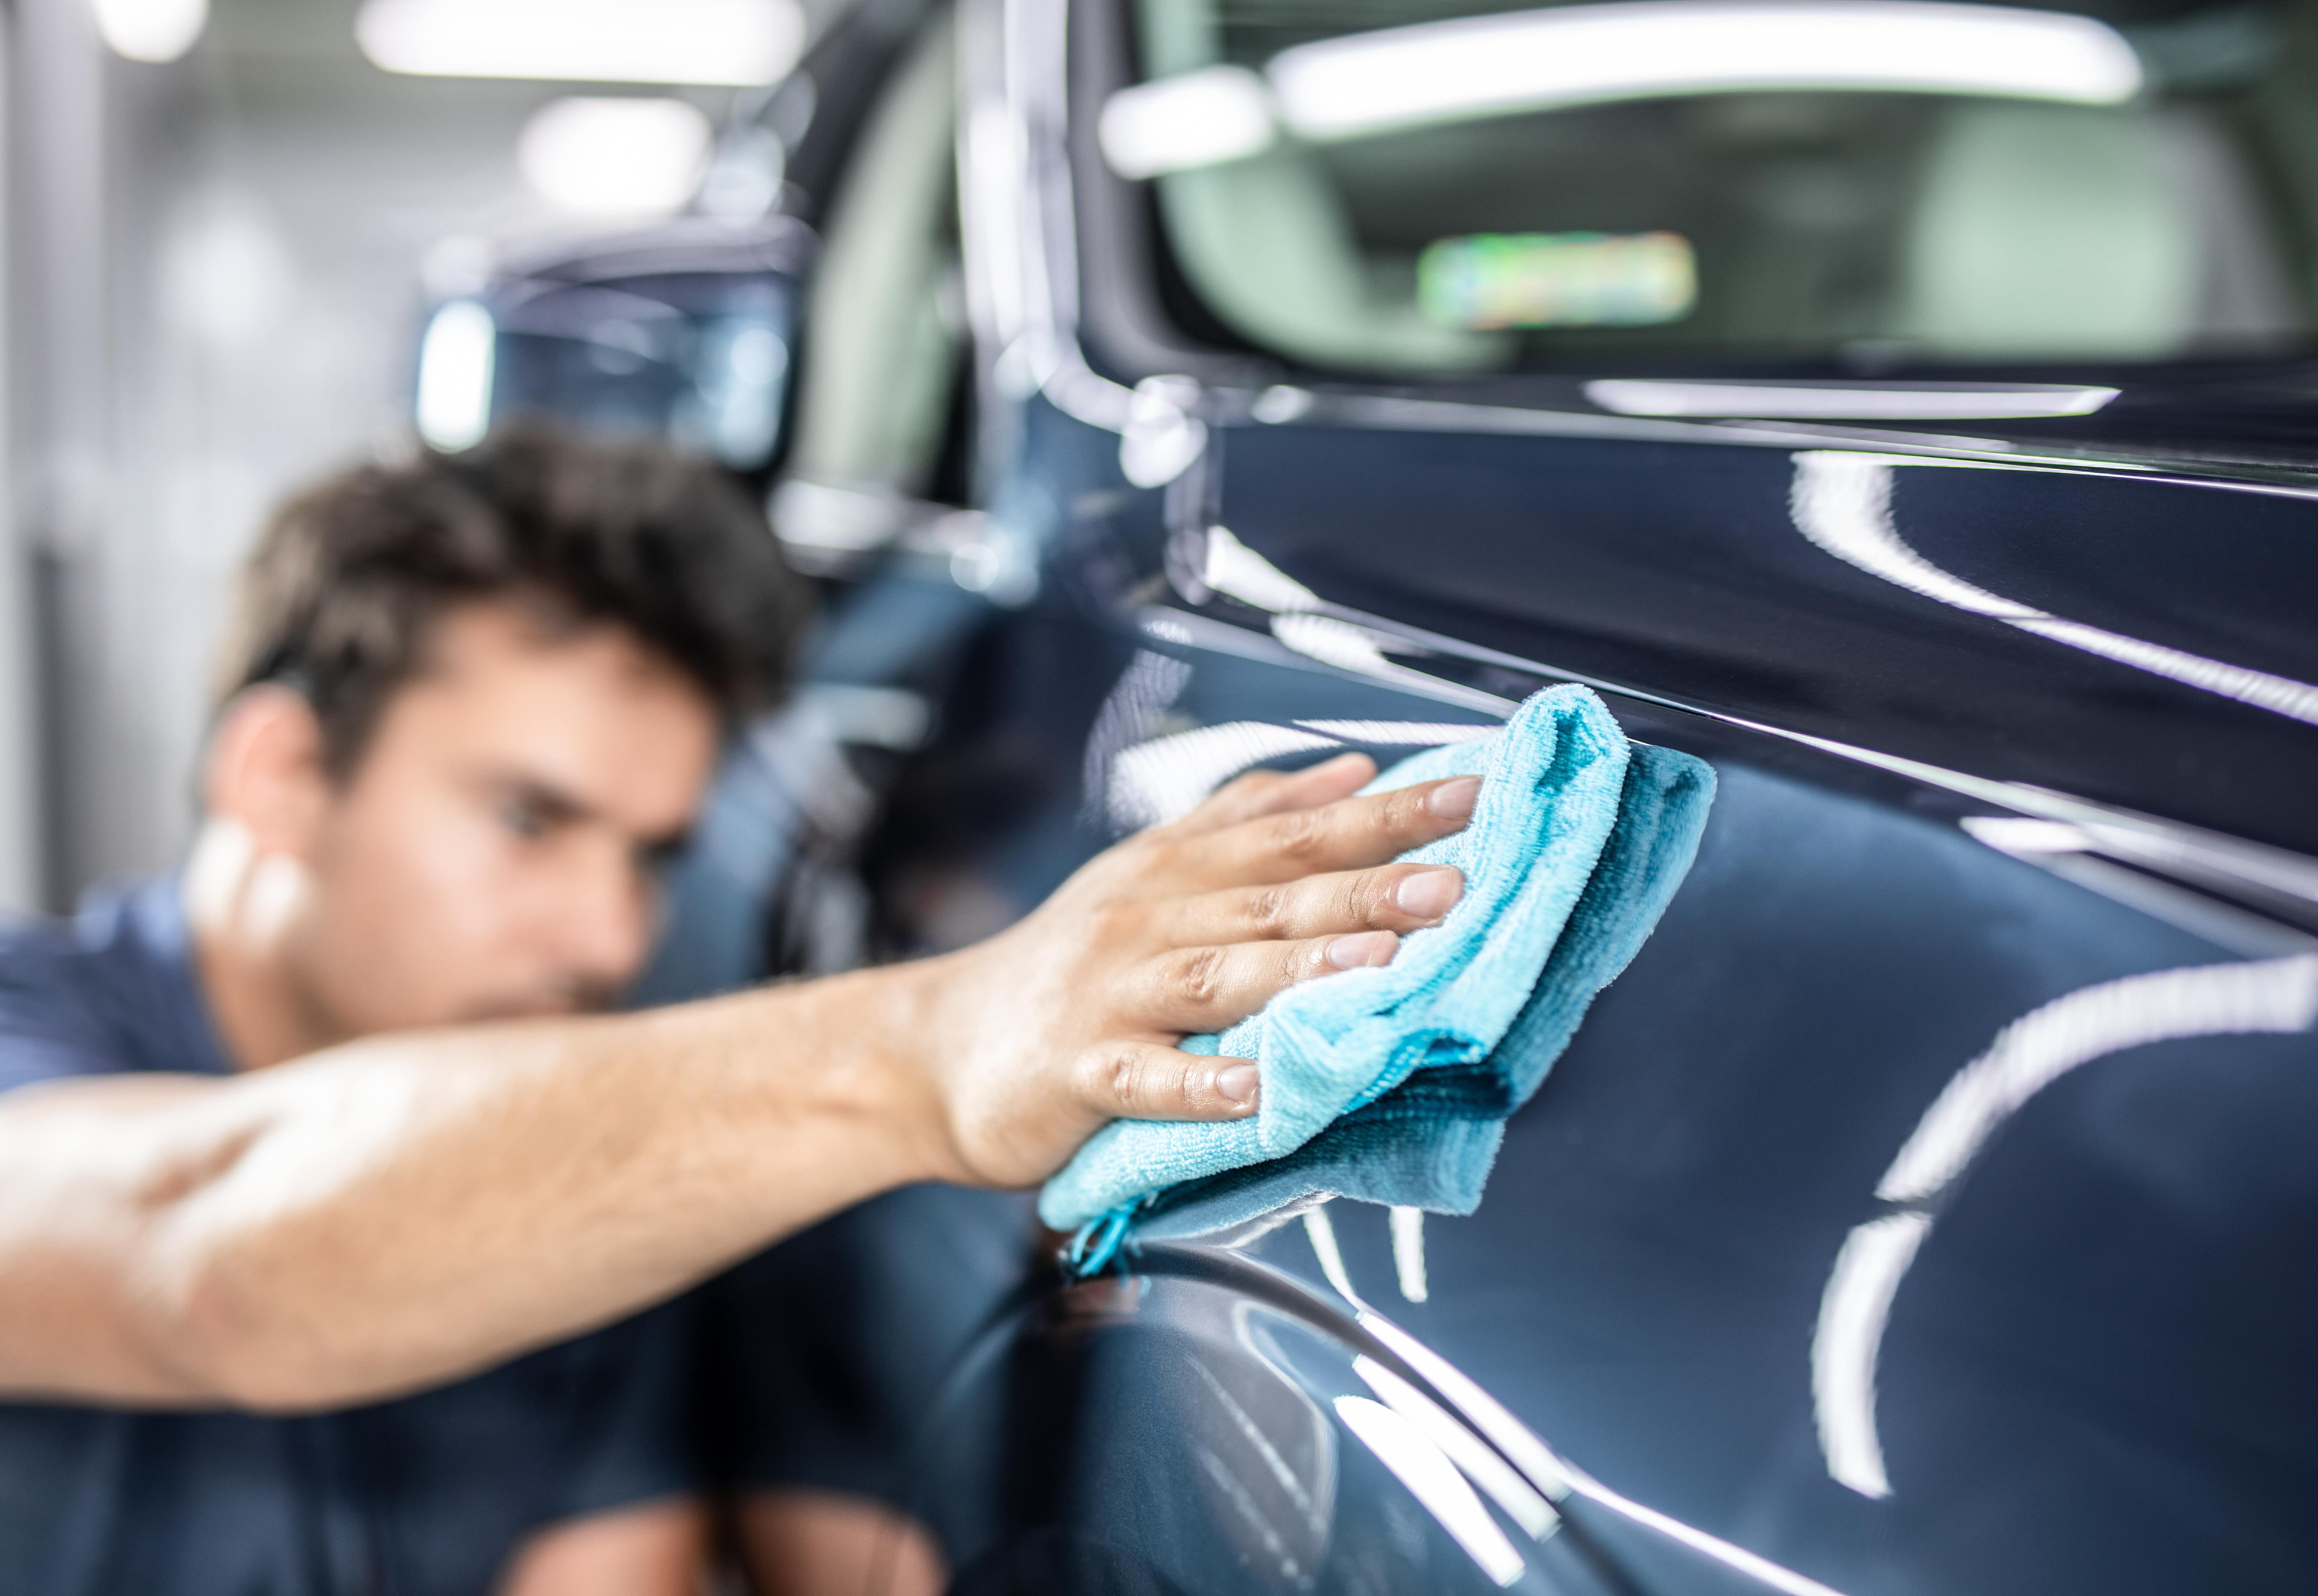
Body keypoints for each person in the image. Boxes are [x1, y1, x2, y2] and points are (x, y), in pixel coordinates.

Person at [0, 425, 1476, 1594]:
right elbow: (200, 1256)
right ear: (279, 773)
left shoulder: (573, 1180)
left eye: (650, 856)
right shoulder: (27, 1045)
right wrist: (939, 1046)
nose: (609, 936)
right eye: (527, 818)